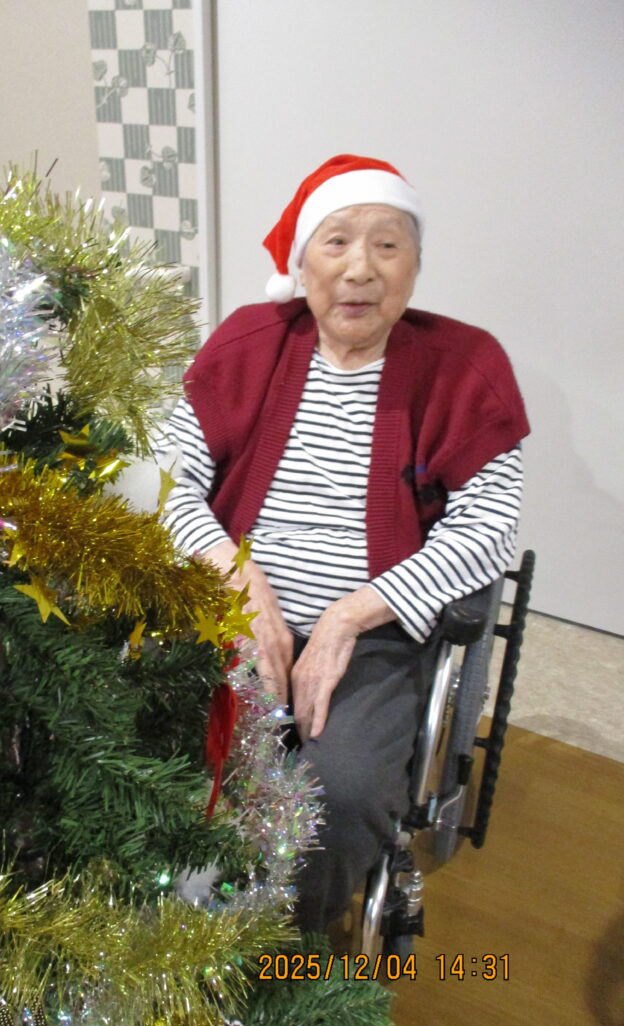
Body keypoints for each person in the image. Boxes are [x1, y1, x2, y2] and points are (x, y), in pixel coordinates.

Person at [157, 155, 530, 933]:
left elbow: (489, 524)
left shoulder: (465, 368)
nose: (361, 268)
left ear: (416, 265)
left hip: (376, 633)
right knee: (172, 750)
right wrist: (242, 584)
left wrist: (348, 616)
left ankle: (286, 951)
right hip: (231, 608)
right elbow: (167, 480)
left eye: (387, 245)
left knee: (343, 787)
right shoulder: (250, 341)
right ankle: (165, 930)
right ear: (302, 264)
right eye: (337, 242)